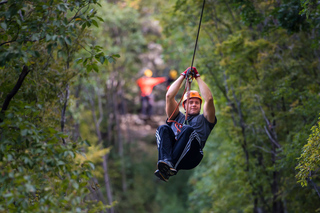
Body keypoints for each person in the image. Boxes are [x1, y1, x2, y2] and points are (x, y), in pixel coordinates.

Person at [154, 66, 217, 182]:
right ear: (184, 105)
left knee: (188, 130)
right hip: (175, 151)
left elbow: (209, 99)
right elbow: (169, 96)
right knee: (163, 128)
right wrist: (183, 76)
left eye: (197, 103)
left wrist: (197, 77)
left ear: (200, 106)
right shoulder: (177, 116)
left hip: (192, 156)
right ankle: (165, 163)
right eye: (190, 102)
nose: (193, 105)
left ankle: (171, 167)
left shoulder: (206, 119)